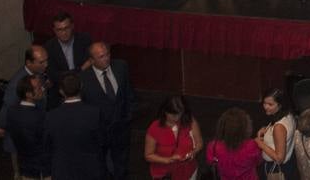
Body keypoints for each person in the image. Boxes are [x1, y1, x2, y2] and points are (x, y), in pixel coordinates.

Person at [79, 41, 134, 180]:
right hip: (99, 132)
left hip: (121, 127)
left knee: (122, 163)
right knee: (101, 165)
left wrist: (128, 115)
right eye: (101, 56)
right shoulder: (83, 79)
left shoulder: (121, 66)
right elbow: (84, 107)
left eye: (107, 54)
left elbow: (128, 92)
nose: (106, 58)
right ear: (91, 60)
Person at [0, 44, 51, 170]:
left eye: (47, 60)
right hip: (22, 134)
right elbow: (8, 106)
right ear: (29, 62)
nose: (46, 65)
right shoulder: (17, 84)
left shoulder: (38, 73)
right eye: (41, 62)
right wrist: (1, 126)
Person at [45, 72, 104, 180]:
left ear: (61, 91)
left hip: (62, 170)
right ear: (81, 87)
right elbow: (101, 142)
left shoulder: (50, 116)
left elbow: (47, 146)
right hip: (89, 169)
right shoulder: (94, 113)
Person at [5, 74, 52, 180]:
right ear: (28, 94)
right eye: (38, 88)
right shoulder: (40, 116)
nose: (42, 89)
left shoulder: (12, 111)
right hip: (41, 169)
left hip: (25, 165)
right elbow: (46, 143)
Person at [144, 94, 202, 180]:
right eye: (173, 114)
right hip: (163, 174)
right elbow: (148, 155)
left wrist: (194, 152)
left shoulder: (190, 121)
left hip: (188, 171)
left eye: (180, 113)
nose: (177, 117)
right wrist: (168, 159)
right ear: (165, 111)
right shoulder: (155, 127)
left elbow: (199, 143)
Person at [207, 108, 264, 180]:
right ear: (244, 127)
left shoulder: (213, 146)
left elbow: (212, 163)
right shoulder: (252, 145)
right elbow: (258, 161)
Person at [256, 88, 299, 179]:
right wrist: (266, 129)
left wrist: (260, 144)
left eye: (270, 104)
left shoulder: (278, 127)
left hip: (276, 168)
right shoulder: (289, 115)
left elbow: (279, 158)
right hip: (288, 165)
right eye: (264, 103)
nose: (266, 107)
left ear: (280, 105)